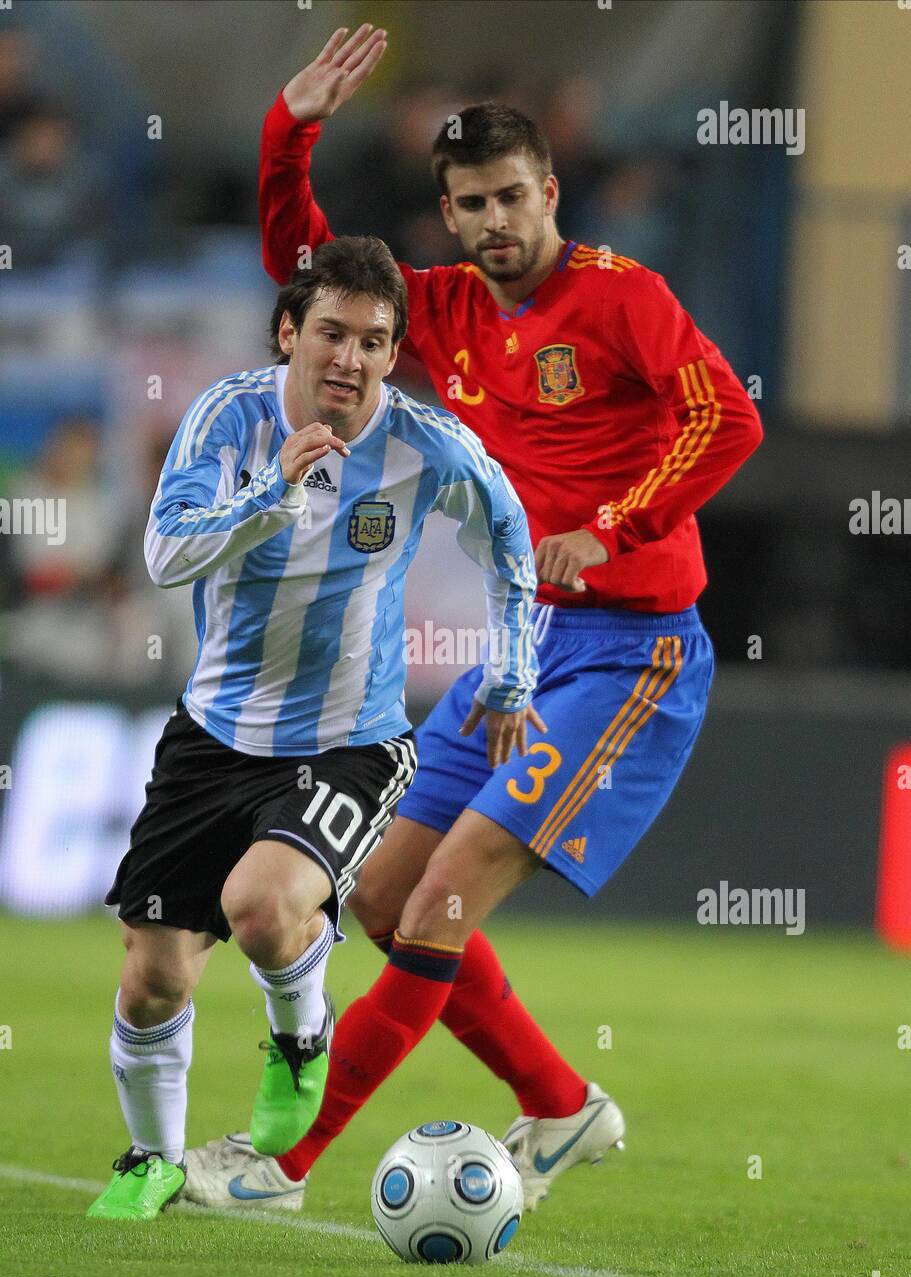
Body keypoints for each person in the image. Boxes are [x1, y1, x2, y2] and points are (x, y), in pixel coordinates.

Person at [186, 25, 763, 1215]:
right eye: (471, 203)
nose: (496, 220)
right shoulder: (436, 311)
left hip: (634, 651)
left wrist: (614, 522)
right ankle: (559, 1105)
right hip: (522, 646)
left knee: (446, 894)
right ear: (445, 215)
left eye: (512, 196)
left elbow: (726, 420)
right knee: (382, 898)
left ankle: (279, 1165)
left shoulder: (623, 299)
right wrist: (287, 132)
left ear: (549, 192)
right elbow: (303, 267)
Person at [86, 235, 539, 1219]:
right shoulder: (228, 416)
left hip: (351, 741)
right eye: (331, 333)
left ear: (391, 352)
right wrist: (273, 491)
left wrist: (511, 672)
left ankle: (299, 1036)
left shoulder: (425, 444)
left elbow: (509, 532)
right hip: (214, 735)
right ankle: (151, 1159)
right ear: (289, 331)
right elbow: (166, 553)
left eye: (374, 341)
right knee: (153, 979)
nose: (350, 357)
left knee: (261, 903)